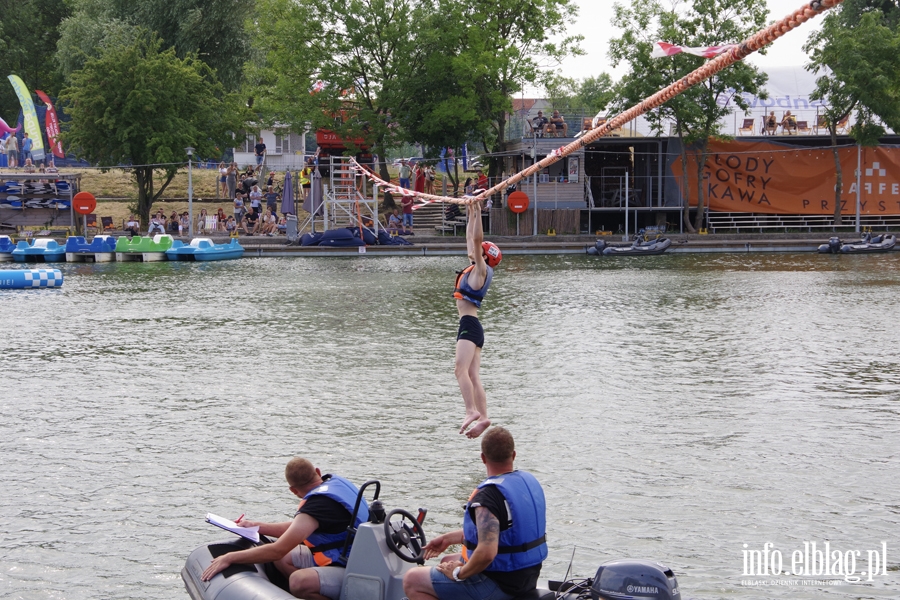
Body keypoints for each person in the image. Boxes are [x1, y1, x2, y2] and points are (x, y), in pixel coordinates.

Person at [402, 427, 547, 600]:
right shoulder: (527, 484)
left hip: (499, 584)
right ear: (513, 455)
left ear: (483, 458)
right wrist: (449, 539)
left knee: (412, 579)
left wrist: (458, 573)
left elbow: (487, 552)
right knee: (446, 560)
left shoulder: (488, 497)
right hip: (525, 577)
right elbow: (504, 536)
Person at [201, 458, 370, 600]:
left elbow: (277, 550)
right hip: (352, 557)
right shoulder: (336, 484)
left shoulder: (317, 506)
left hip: (351, 570)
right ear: (318, 472)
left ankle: (309, 591)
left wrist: (230, 557)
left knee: (298, 582)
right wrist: (258, 526)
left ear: (293, 490)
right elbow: (299, 529)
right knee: (284, 559)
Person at [452, 199, 501, 438]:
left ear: (486, 256)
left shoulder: (481, 270)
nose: (475, 250)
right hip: (474, 327)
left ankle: (470, 410)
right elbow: (471, 241)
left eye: (481, 251)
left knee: (460, 371)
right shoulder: (476, 266)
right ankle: (483, 417)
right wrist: (472, 211)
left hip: (469, 326)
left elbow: (477, 240)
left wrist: (480, 214)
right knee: (473, 375)